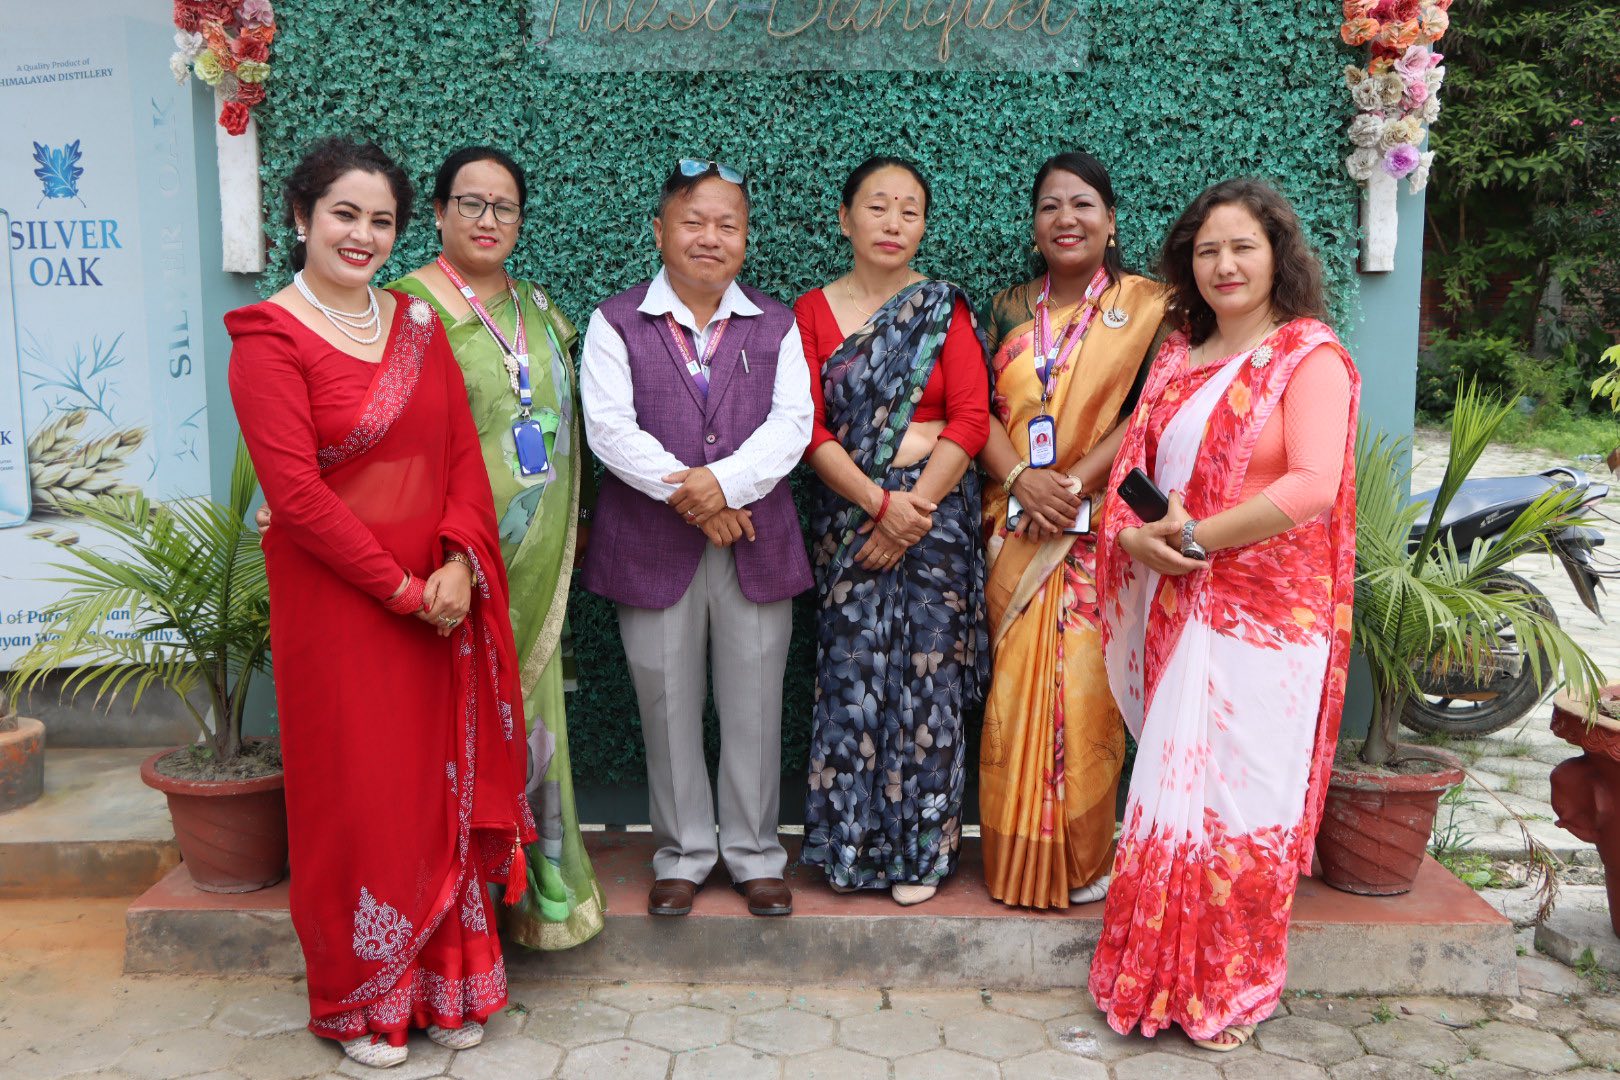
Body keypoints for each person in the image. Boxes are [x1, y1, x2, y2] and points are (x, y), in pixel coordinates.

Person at [227, 137, 534, 1068]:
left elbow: (460, 456)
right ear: (301, 218)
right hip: (342, 614)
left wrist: (459, 564)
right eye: (344, 215)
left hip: (437, 608)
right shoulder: (268, 339)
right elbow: (297, 497)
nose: (362, 235)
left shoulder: (416, 326)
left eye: (381, 220)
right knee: (360, 796)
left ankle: (447, 987)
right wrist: (399, 588)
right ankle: (359, 1002)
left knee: (434, 790)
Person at [1088, 178, 1359, 1052]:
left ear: (1278, 255)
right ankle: (1152, 977)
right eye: (1207, 250)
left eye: (1243, 246)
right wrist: (1137, 539)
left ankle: (1227, 987)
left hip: (1270, 626)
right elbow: (1131, 480)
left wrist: (1197, 536)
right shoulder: (1177, 358)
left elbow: (1311, 486)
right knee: (1172, 801)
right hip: (1183, 606)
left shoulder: (1308, 356)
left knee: (1243, 810)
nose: (1224, 264)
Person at [579, 159, 813, 918]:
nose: (710, 237)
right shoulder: (616, 321)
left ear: (745, 238)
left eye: (727, 224)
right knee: (666, 705)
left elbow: (793, 426)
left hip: (756, 545)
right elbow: (610, 431)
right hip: (651, 548)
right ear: (660, 230)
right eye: (693, 221)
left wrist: (723, 486)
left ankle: (754, 854)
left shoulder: (776, 323)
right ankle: (682, 853)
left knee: (755, 706)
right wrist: (701, 498)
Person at [388, 146, 604, 952]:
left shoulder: (540, 309)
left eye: (503, 206)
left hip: (538, 560)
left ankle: (543, 894)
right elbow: (394, 443)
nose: (487, 220)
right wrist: (446, 551)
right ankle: (456, 915)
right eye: (470, 203)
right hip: (453, 563)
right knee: (456, 724)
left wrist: (579, 520)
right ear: (438, 212)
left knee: (533, 713)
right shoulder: (405, 310)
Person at [975, 152, 1172, 912]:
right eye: (1051, 206)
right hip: (1017, 526)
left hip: (1094, 533)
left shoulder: (1150, 306)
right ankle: (1013, 860)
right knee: (1012, 694)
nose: (1067, 219)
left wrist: (1072, 484)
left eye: (1083, 204)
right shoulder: (1006, 309)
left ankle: (1086, 858)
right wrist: (1023, 482)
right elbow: (977, 412)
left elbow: (1147, 413)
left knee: (1088, 692)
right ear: (1034, 226)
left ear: (1111, 220)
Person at [794, 156, 990, 906]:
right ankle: (849, 849)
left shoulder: (942, 308)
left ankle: (919, 854)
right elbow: (807, 428)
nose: (893, 223)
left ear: (923, 226)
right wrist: (881, 505)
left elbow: (970, 418)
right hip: (851, 519)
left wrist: (912, 512)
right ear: (845, 218)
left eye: (910, 211)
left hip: (935, 524)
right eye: (878, 207)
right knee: (853, 679)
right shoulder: (811, 313)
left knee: (928, 682)